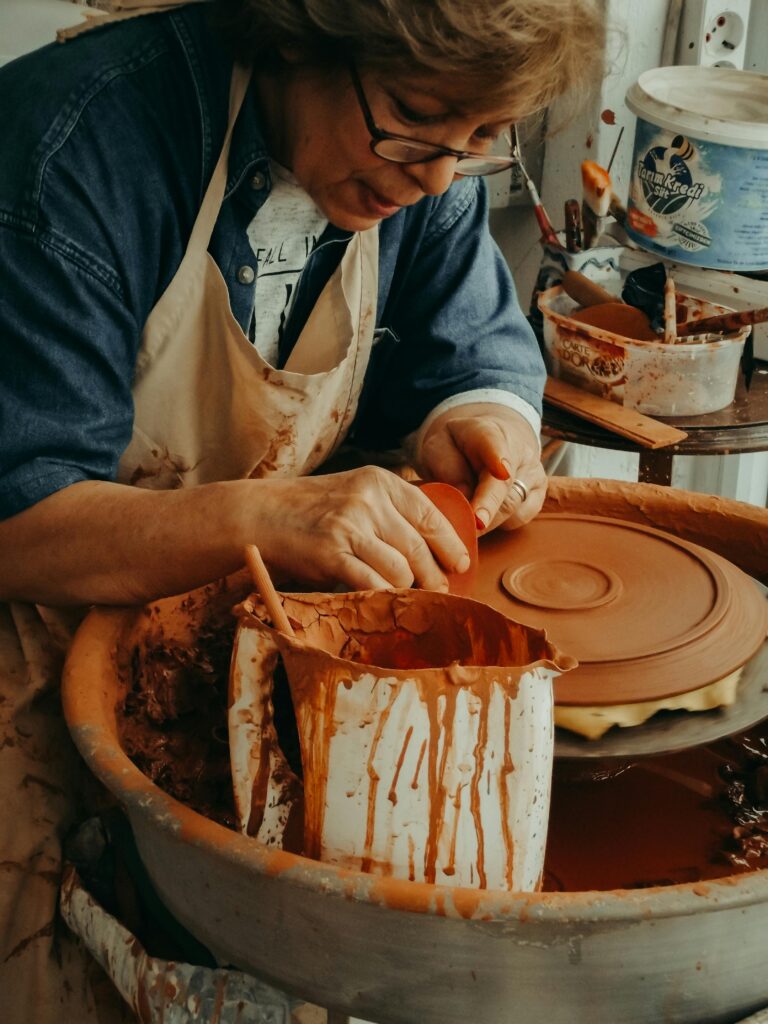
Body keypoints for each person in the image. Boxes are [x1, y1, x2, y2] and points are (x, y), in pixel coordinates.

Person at [0, 0, 605, 1019]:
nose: (438, 179)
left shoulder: (423, 156)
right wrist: (269, 517)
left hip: (260, 645)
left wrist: (481, 416)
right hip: (35, 651)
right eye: (416, 124)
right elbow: (17, 520)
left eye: (479, 145)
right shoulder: (71, 149)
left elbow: (476, 344)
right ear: (293, 35)